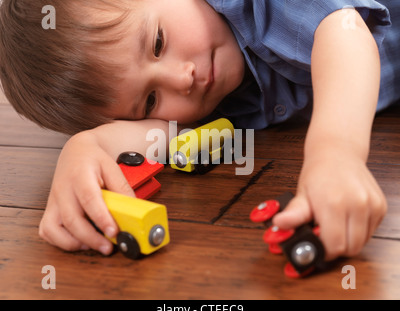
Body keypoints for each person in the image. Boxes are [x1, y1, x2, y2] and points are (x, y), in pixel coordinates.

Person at [0, 0, 399, 260]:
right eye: (150, 100)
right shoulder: (208, 91)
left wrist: (335, 153)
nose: (182, 78)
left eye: (157, 42)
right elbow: (167, 135)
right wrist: (87, 146)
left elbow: (344, 32)